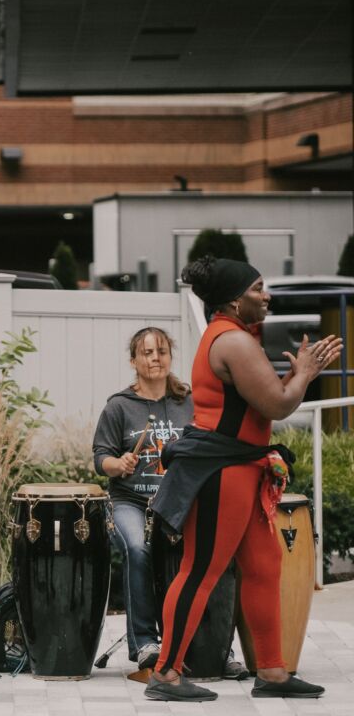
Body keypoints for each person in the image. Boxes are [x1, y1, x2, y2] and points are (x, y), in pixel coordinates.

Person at [145, 257, 339, 702]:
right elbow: (277, 406)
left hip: (243, 466)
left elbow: (264, 401)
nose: (266, 295)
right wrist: (305, 373)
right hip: (222, 471)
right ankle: (166, 674)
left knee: (264, 565)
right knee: (201, 571)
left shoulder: (232, 337)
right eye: (258, 288)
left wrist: (296, 375)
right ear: (235, 299)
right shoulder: (233, 341)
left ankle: (271, 671)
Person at [92, 328, 193, 670]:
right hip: (131, 501)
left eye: (161, 351)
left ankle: (207, 642)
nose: (155, 358)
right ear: (133, 360)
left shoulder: (186, 401)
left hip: (177, 501)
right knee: (138, 548)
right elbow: (99, 459)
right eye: (147, 353)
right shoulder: (120, 406)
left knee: (204, 550)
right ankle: (145, 642)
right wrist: (118, 464)